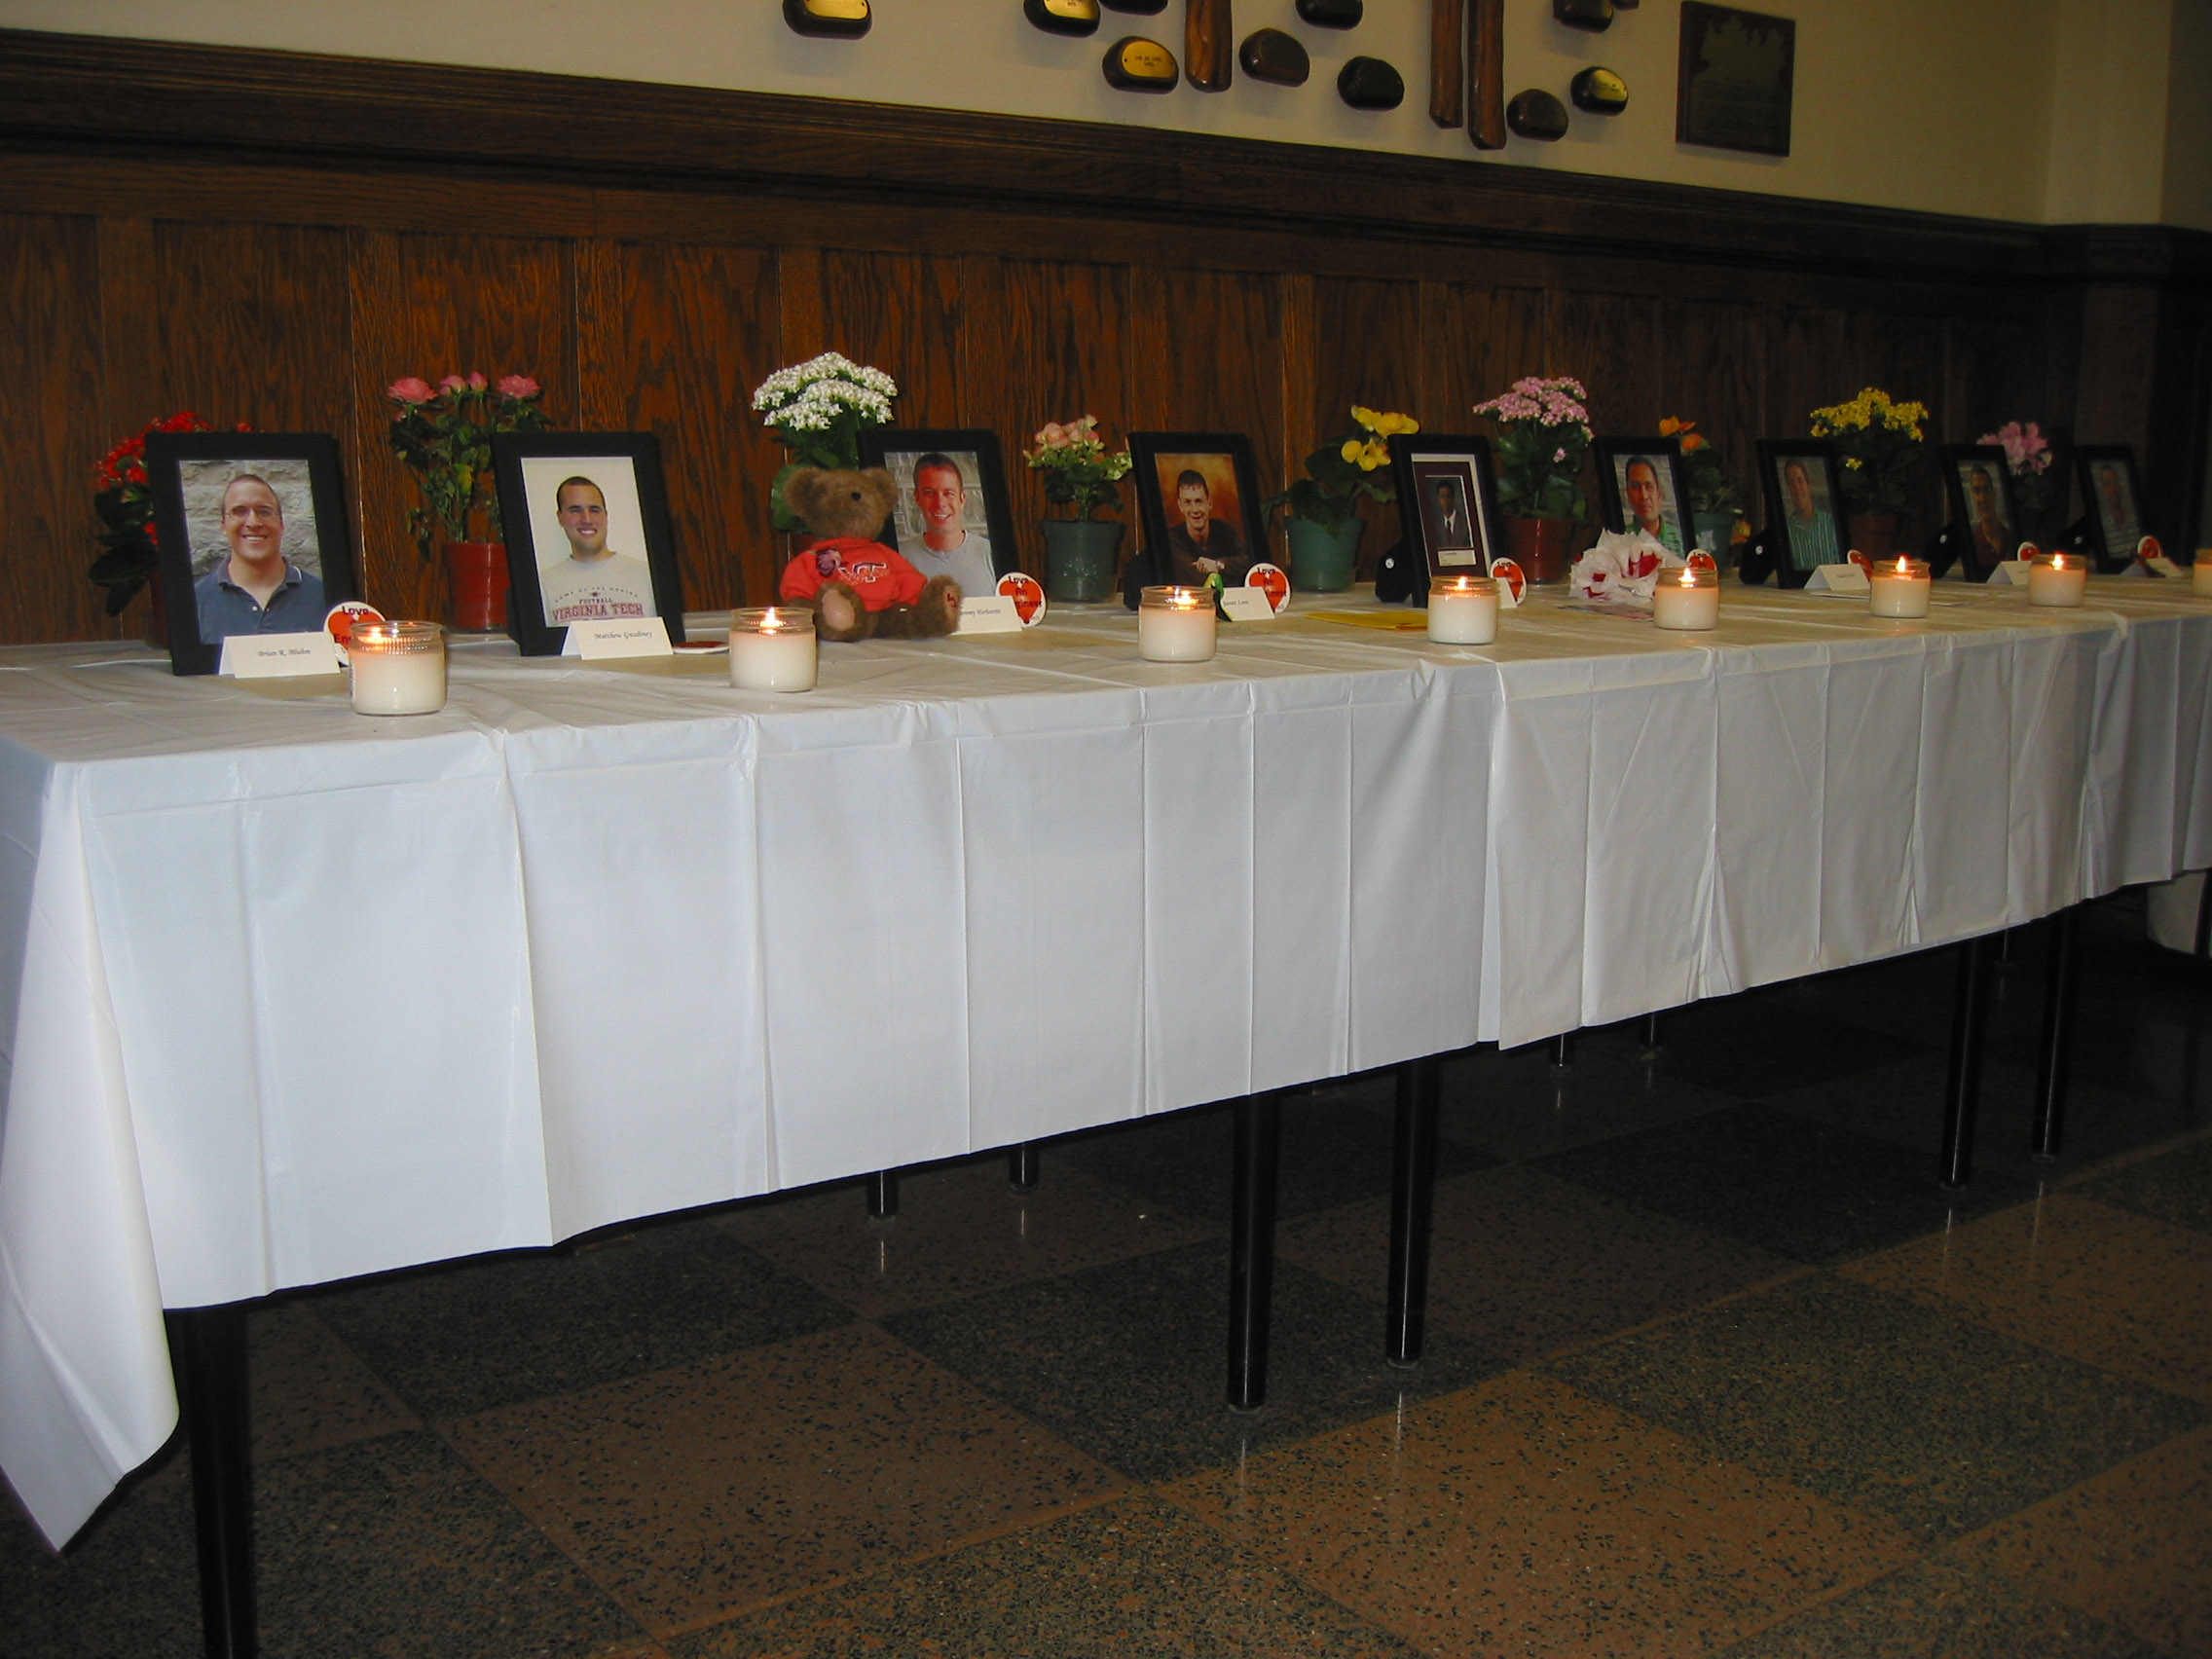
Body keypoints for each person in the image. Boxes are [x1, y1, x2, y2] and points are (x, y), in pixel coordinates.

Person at [193, 472, 326, 641]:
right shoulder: (195, 602)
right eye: (239, 511)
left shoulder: (323, 597)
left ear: (281, 524)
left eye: (264, 511)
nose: (253, 523)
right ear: (224, 526)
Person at [537, 476, 656, 625]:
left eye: (594, 510)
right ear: (560, 518)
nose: (586, 519)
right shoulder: (543, 585)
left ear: (605, 516)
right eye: (575, 510)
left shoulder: (648, 577)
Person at [898, 453, 998, 597]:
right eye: (929, 493)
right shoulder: (898, 557)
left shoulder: (990, 554)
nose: (940, 503)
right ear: (917, 498)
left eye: (948, 493)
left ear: (962, 499)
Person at [1163, 468, 1251, 584]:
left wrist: (1219, 565)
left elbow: (1251, 561)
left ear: (1209, 503)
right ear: (1180, 506)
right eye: (1187, 502)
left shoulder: (1224, 530)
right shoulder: (1172, 540)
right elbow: (1196, 579)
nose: (1195, 510)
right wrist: (1231, 572)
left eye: (1199, 501)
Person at [1780, 458, 1837, 571]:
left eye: (1800, 480)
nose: (1796, 488)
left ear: (1808, 485)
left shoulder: (1831, 524)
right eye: (1791, 483)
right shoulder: (1785, 532)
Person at [1623, 457, 1683, 556]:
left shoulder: (1681, 540)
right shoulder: (1620, 541)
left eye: (1649, 486)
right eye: (1636, 486)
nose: (1644, 496)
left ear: (1659, 494)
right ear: (1628, 494)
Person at [1966, 464, 2010, 562]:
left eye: (1986, 490)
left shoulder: (2011, 539)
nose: (1983, 499)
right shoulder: (1972, 545)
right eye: (1977, 491)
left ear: (1993, 494)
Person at [2096, 462, 2141, 556]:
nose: (2113, 488)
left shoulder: (2136, 523)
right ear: (2103, 489)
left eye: (2115, 482)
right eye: (2108, 484)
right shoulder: (2103, 529)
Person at [1429, 476, 1476, 549]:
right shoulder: (1435, 525)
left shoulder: (1465, 523)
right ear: (1438, 499)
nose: (1445, 501)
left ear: (1453, 498)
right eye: (1442, 497)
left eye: (1448, 496)